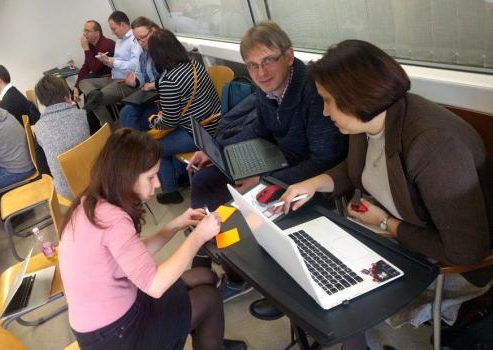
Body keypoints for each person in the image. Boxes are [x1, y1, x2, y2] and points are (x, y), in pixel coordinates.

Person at [276, 39, 492, 349]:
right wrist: (315, 182)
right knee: (313, 268)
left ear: (355, 97)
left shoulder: (433, 144)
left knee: (340, 302)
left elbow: (465, 250)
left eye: (327, 101)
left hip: (448, 262)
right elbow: (357, 170)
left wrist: (386, 224)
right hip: (399, 234)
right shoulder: (373, 119)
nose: (324, 112)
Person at [186, 22, 348, 303]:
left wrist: (265, 180)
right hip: (276, 161)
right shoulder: (267, 86)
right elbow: (259, 127)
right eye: (252, 65)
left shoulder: (313, 92)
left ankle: (276, 289)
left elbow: (325, 160)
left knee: (246, 204)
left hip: (308, 177)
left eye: (268, 61)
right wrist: (217, 150)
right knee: (203, 180)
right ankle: (209, 264)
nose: (261, 73)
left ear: (288, 56)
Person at [59, 128, 246, 350]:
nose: (157, 184)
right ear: (126, 176)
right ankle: (211, 340)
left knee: (204, 275)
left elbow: (133, 255)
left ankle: (209, 335)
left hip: (111, 320)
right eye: (150, 177)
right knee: (209, 298)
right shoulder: (113, 220)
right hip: (117, 336)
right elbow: (155, 285)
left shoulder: (92, 203)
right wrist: (197, 236)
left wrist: (177, 224)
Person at [147, 29, 221, 205]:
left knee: (154, 148)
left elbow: (170, 121)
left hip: (199, 132)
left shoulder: (169, 80)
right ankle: (181, 176)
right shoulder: (194, 64)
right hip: (216, 122)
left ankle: (171, 191)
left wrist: (155, 120)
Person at [79, 11, 142, 126]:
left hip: (125, 81)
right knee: (83, 82)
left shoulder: (134, 40)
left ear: (123, 25)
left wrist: (113, 62)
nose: (112, 33)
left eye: (114, 29)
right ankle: (94, 95)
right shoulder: (120, 39)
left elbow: (134, 65)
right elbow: (116, 61)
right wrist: (108, 60)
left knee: (94, 102)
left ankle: (110, 129)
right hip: (113, 77)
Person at [33, 75, 89, 200]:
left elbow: (43, 170)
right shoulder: (83, 115)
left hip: (68, 195)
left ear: (42, 102)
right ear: (67, 94)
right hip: (98, 182)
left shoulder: (38, 128)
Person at [73, 20, 116, 134]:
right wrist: (76, 87)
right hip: (100, 78)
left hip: (112, 78)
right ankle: (95, 130)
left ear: (97, 33)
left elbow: (95, 67)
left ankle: (97, 130)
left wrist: (86, 49)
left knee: (90, 96)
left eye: (87, 31)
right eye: (84, 30)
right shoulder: (92, 45)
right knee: (86, 86)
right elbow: (86, 66)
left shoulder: (106, 44)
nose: (84, 34)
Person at [118, 16, 161, 131]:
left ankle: (138, 145)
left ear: (153, 31)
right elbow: (141, 76)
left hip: (161, 96)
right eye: (137, 39)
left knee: (139, 121)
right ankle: (136, 146)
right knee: (125, 113)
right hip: (149, 96)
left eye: (143, 37)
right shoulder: (144, 55)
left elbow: (173, 78)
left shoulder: (165, 50)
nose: (141, 42)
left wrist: (152, 85)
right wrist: (134, 82)